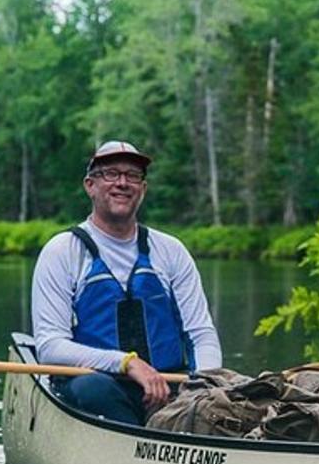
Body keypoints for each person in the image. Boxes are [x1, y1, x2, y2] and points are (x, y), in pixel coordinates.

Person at [31, 141, 222, 425]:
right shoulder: (62, 251)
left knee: (216, 398)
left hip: (168, 387)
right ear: (90, 185)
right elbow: (51, 347)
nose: (123, 183)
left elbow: (201, 334)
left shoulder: (171, 251)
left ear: (142, 189)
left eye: (133, 175)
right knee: (92, 388)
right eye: (111, 173)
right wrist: (127, 363)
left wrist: (205, 385)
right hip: (97, 386)